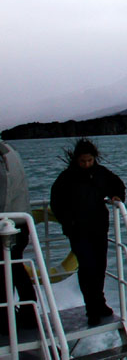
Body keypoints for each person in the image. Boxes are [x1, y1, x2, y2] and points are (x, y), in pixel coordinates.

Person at [50, 138, 125, 325]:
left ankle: (100, 302)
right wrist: (68, 223)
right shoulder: (66, 178)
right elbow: (56, 203)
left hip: (99, 227)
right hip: (77, 230)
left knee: (100, 267)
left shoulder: (101, 173)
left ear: (94, 158)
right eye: (83, 161)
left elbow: (117, 185)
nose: (86, 164)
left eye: (89, 160)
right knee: (86, 267)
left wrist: (117, 196)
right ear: (76, 159)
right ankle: (91, 308)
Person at [0, 141, 38, 332]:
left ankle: (6, 319)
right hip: (19, 222)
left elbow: (4, 192)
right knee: (15, 269)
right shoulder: (10, 150)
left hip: (8, 225)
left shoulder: (2, 156)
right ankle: (27, 314)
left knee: (6, 272)